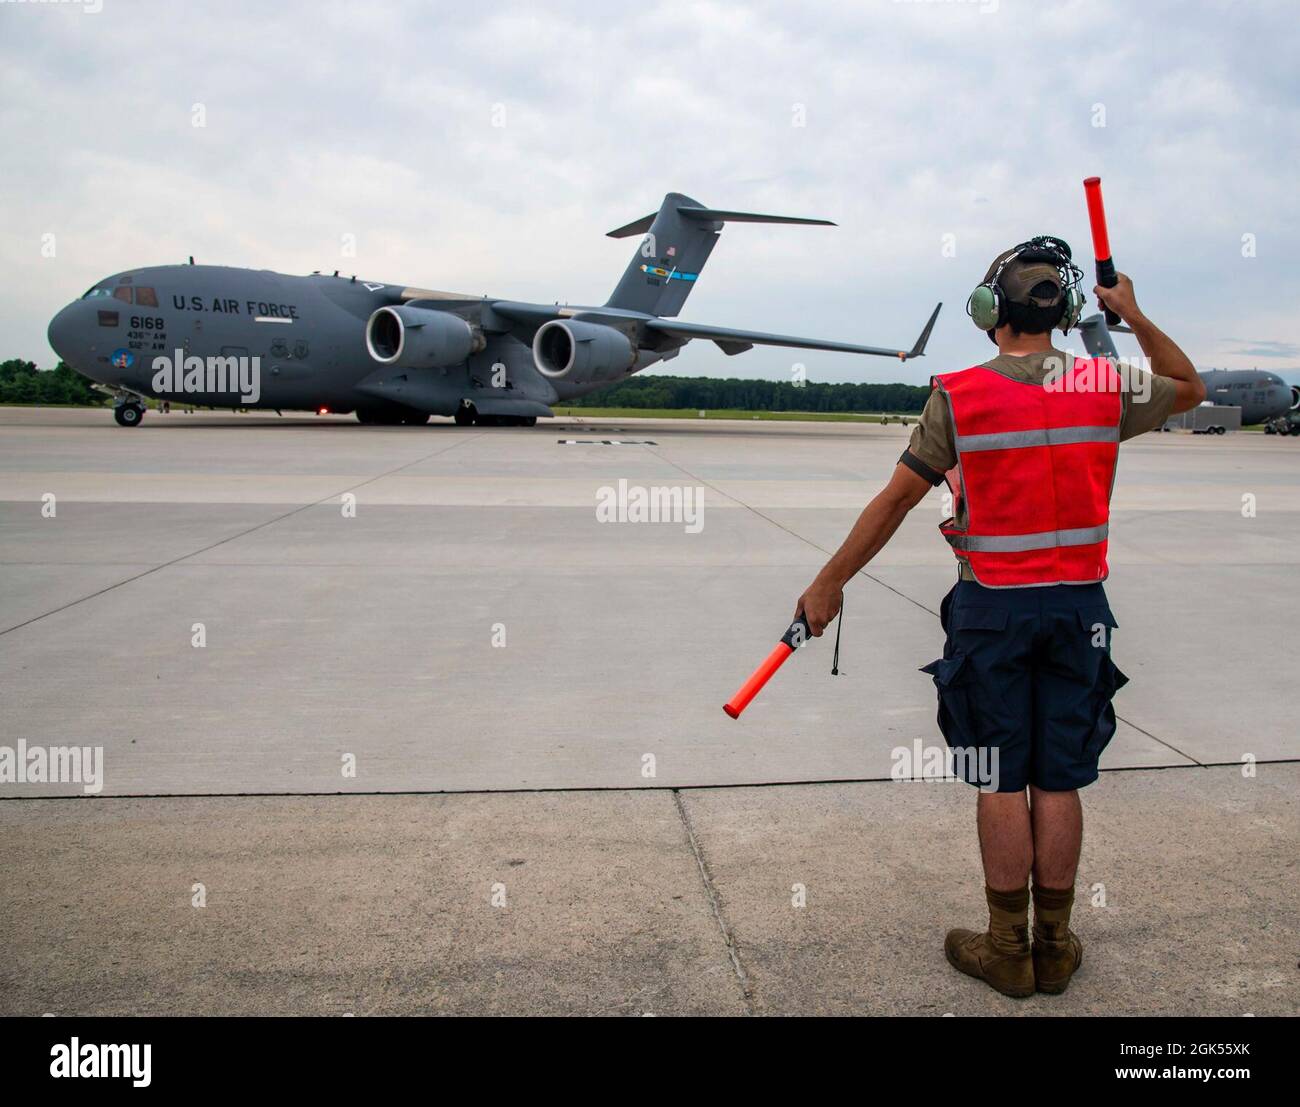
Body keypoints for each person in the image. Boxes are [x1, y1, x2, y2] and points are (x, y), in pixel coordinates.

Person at [794, 238, 1205, 997]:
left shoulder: (961, 394)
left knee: (997, 774)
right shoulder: (1103, 385)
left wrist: (830, 581)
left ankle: (1006, 948)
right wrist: (1135, 312)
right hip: (1080, 607)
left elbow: (895, 501)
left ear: (990, 312)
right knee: (1059, 777)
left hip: (992, 609)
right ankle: (1055, 942)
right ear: (1067, 310)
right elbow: (1189, 384)